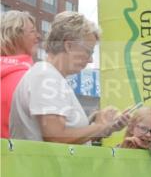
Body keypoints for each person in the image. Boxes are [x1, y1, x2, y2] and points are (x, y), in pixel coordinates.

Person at [9, 12, 130, 143]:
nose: (90, 60)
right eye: (88, 51)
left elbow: (63, 134)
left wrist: (105, 127)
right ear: (69, 45)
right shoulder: (45, 76)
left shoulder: (49, 76)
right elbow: (56, 138)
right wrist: (99, 126)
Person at [1, 10, 40, 138]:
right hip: (20, 154)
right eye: (32, 31)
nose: (38, 36)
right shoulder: (29, 79)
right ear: (16, 36)